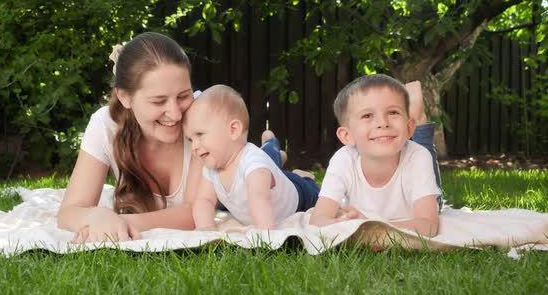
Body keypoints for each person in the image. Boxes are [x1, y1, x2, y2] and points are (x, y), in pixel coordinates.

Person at [57, 32, 206, 243]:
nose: (176, 113)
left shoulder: (203, 115)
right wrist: (96, 216)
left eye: (183, 96)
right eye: (158, 101)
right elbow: (68, 212)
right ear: (125, 97)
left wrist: (120, 224)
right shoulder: (105, 125)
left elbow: (194, 213)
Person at [309, 74, 441, 237]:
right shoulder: (343, 160)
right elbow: (318, 219)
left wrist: (371, 227)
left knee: (423, 154)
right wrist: (340, 225)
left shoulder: (418, 157)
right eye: (367, 115)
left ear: (408, 128)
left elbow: (428, 225)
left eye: (393, 112)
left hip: (417, 197)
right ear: (346, 136)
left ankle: (419, 120)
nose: (382, 123)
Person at [183, 85, 320, 230]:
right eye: (190, 140)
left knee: (317, 196)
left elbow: (259, 197)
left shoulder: (253, 162)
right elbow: (204, 201)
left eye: (199, 135)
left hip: (299, 197)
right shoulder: (211, 169)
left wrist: (264, 233)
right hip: (276, 181)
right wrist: (205, 228)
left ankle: (304, 177)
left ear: (233, 130)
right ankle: (278, 156)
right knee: (278, 173)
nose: (194, 147)